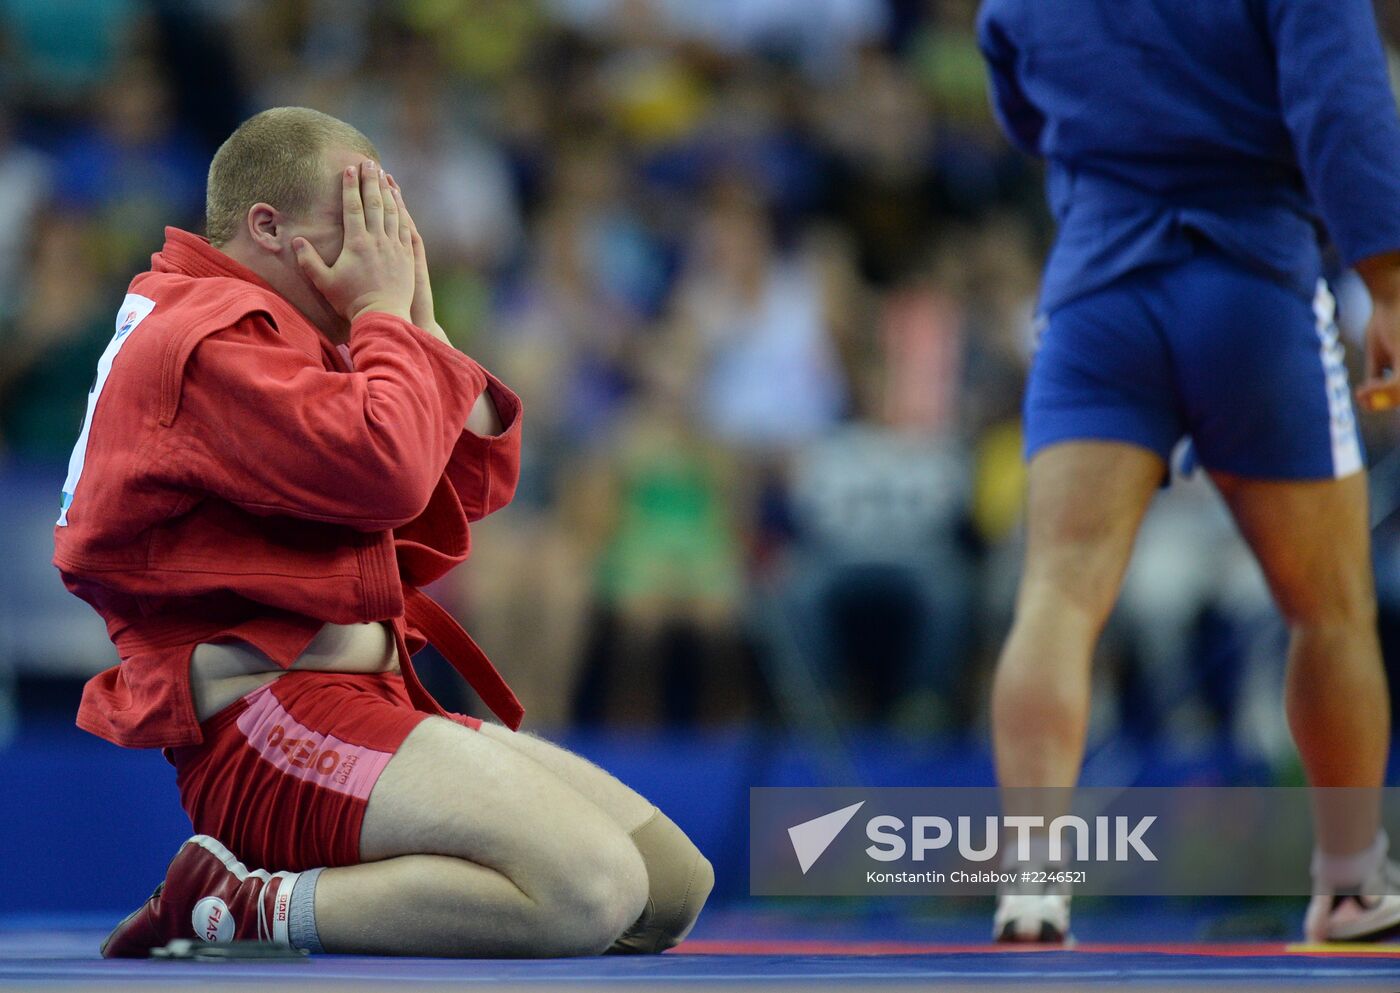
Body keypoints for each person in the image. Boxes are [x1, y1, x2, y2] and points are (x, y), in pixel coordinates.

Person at [54, 107, 712, 958]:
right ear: (269, 227)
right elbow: (393, 468)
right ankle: (239, 904)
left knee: (669, 888)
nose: (381, 250)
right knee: (594, 889)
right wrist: (382, 311)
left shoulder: (280, 325)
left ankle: (282, 894)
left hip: (364, 699)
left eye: (388, 225)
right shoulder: (209, 333)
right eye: (356, 222)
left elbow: (469, 477)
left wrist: (420, 318)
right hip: (266, 720)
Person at [976, 0, 1400, 942]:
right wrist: (1392, 278)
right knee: (1329, 608)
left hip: (1097, 297)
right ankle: (1348, 882)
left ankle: (1033, 884)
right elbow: (1344, 104)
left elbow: (1018, 99)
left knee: (1056, 591)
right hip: (1250, 283)